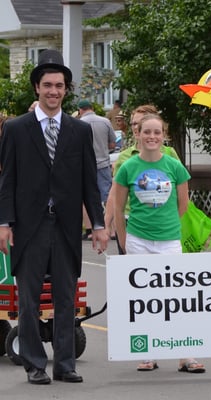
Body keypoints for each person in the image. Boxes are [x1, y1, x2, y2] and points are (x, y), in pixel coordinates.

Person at [0, 49, 109, 384]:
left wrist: (99, 224)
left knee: (65, 299)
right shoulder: (16, 129)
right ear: (37, 87)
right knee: (28, 301)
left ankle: (65, 364)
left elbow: (89, 182)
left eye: (59, 86)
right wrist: (4, 223)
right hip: (28, 227)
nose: (53, 91)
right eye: (47, 85)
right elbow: (7, 181)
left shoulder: (79, 130)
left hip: (65, 227)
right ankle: (34, 364)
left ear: (66, 90)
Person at [114, 113, 205, 374]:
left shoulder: (175, 167)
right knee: (144, 299)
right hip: (138, 240)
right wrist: (124, 240)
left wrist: (166, 227)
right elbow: (118, 208)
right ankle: (148, 353)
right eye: (147, 132)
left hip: (169, 242)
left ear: (164, 135)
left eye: (157, 132)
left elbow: (183, 205)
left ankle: (185, 354)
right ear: (138, 134)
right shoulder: (128, 167)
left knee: (176, 298)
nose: (152, 137)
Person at [104, 104, 179, 252]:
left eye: (139, 123)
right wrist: (106, 223)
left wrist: (171, 220)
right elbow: (114, 193)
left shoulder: (169, 154)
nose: (134, 127)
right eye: (133, 123)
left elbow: (181, 195)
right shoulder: (125, 157)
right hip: (131, 221)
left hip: (163, 225)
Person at [78, 99, 116, 240]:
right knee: (108, 197)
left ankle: (89, 229)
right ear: (92, 108)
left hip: (84, 165)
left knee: (84, 197)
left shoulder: (79, 123)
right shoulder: (105, 122)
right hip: (103, 163)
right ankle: (112, 230)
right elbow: (112, 144)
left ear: (80, 110)